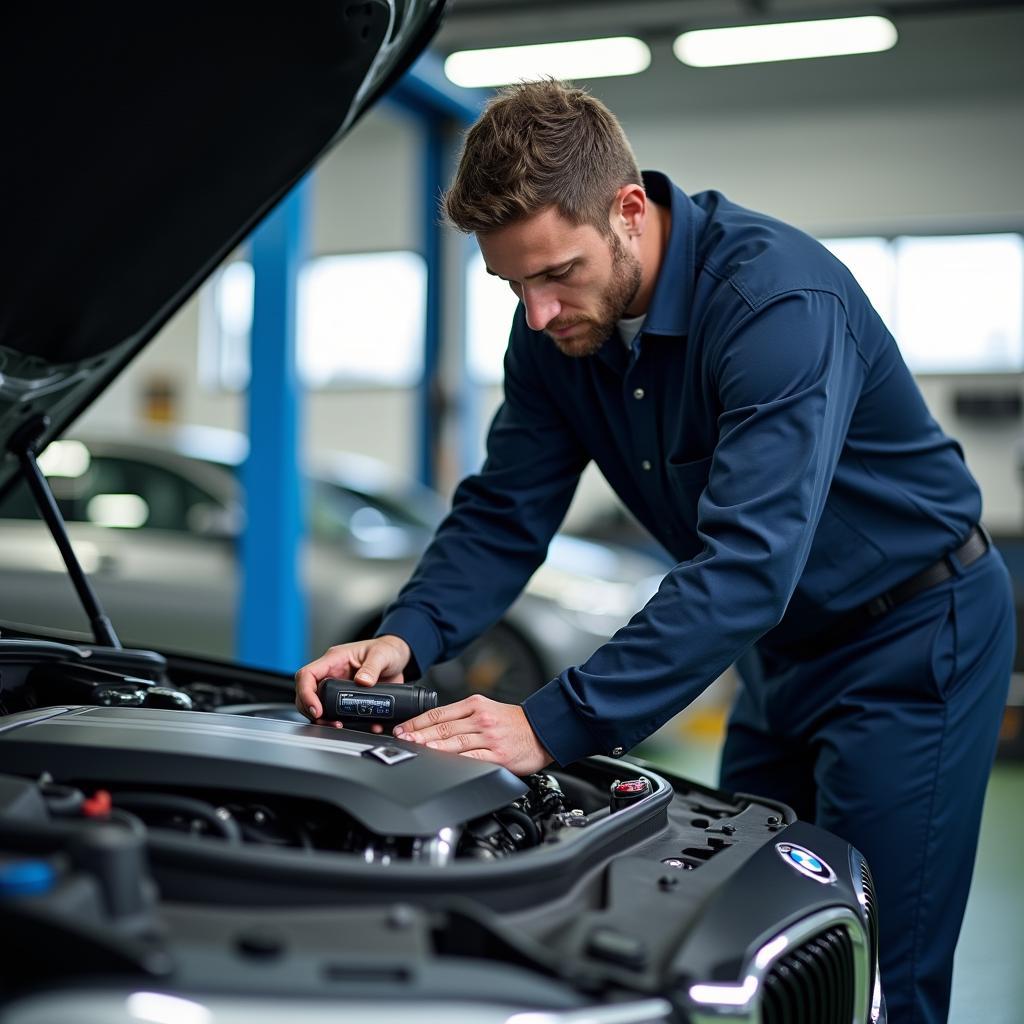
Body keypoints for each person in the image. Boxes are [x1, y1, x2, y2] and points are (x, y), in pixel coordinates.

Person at [295, 80, 1014, 1023]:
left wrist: (554, 723)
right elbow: (507, 507)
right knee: (756, 940)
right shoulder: (552, 334)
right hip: (779, 653)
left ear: (629, 210)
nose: (540, 313)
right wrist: (405, 636)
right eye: (513, 285)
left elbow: (747, 564)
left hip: (916, 635)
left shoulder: (772, 302)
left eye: (557, 273)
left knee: (879, 973)